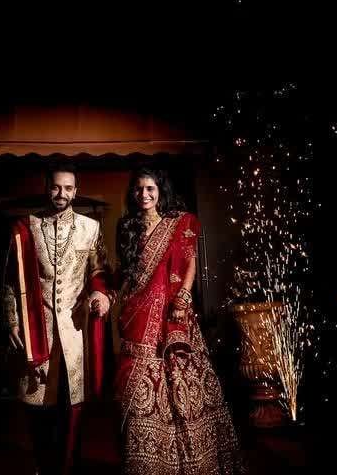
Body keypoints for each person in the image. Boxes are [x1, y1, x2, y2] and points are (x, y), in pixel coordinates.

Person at [114, 168, 243, 475]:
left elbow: (189, 262)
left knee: (181, 383)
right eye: (139, 189)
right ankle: (147, 463)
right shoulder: (127, 226)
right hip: (137, 314)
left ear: (160, 190)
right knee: (137, 388)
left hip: (172, 313)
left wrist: (183, 297)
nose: (144, 194)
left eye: (150, 188)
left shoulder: (177, 223)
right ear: (132, 193)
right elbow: (125, 272)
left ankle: (192, 459)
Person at [2, 163, 114, 475]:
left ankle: (68, 467)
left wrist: (101, 294)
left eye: (67, 188)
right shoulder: (27, 227)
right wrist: (12, 320)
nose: (61, 193)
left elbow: (100, 273)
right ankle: (44, 467)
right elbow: (10, 281)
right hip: (36, 331)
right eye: (55, 187)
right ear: (47, 188)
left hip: (74, 335)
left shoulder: (90, 228)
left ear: (75, 191)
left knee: (71, 407)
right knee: (37, 408)